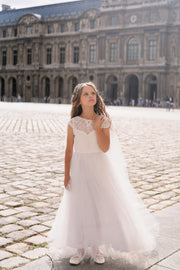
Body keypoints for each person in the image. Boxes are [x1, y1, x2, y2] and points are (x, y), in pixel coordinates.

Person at [48, 82, 158, 267]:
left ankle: (97, 247)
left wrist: (98, 127)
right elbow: (68, 151)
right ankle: (80, 247)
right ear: (78, 99)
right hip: (79, 167)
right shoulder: (73, 123)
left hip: (100, 167)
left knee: (99, 207)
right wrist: (66, 175)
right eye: (86, 94)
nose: (91, 96)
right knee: (79, 207)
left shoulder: (103, 120)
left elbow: (105, 148)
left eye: (93, 93)